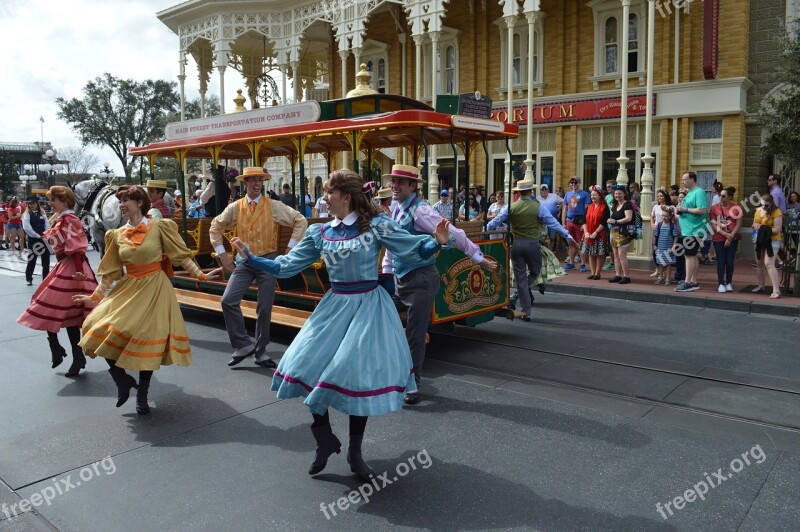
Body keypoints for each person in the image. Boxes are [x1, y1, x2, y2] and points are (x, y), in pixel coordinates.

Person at [230, 170, 449, 480]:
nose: (325, 198)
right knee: (303, 365)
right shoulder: (321, 233)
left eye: (330, 193)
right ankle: (324, 437)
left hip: (367, 309)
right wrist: (251, 258)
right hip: (333, 307)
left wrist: (435, 244)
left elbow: (410, 247)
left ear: (346, 197)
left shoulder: (375, 226)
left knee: (356, 378)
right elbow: (286, 265)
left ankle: (355, 453)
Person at [73, 186, 221, 414]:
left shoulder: (160, 227)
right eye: (120, 201)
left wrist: (201, 275)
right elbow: (111, 272)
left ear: (140, 203)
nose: (121, 204)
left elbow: (180, 255)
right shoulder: (116, 235)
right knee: (94, 327)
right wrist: (93, 296)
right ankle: (122, 379)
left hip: (155, 288)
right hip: (129, 287)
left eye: (125, 200)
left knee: (145, 337)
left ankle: (142, 393)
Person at [382, 164, 497, 405]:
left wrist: (476, 256)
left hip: (421, 279)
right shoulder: (396, 208)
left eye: (400, 182)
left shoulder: (420, 211)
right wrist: (387, 271)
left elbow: (452, 233)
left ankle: (413, 383)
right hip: (402, 279)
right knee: (382, 320)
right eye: (393, 181)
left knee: (415, 333)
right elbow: (394, 244)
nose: (394, 185)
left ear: (413, 186)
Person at [210, 167, 308, 368]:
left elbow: (300, 220)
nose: (256, 184)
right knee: (228, 300)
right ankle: (243, 345)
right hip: (245, 261)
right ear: (245, 183)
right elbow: (215, 227)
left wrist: (289, 250)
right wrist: (223, 256)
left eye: (260, 180)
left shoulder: (272, 206)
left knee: (264, 307)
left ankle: (261, 352)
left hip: (267, 261)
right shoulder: (235, 207)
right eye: (252, 180)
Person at [17, 186, 97, 377]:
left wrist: (78, 271)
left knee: (61, 311)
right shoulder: (62, 219)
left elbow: (77, 247)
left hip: (72, 268)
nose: (50, 203)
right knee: (51, 307)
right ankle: (62, 350)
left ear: (65, 201)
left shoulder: (69, 219)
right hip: (65, 266)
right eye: (50, 200)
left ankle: (71, 354)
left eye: (53, 200)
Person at [487, 179, 577, 321]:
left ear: (518, 192)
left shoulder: (511, 207)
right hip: (532, 245)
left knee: (521, 278)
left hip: (516, 245)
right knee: (535, 272)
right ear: (530, 191)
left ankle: (526, 310)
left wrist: (483, 233)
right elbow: (552, 222)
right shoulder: (538, 206)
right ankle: (523, 299)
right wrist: (567, 235)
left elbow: (493, 223)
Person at [674, 171, 709, 292]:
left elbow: (702, 210)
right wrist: (680, 209)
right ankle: (694, 281)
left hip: (694, 229)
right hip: (688, 229)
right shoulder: (689, 193)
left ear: (692, 179)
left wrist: (685, 209)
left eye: (685, 179)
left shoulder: (699, 192)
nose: (683, 181)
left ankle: (688, 282)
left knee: (688, 255)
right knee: (692, 255)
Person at [709, 186, 743, 293]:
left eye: (723, 196)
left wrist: (730, 236)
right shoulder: (714, 208)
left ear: (730, 197)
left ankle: (729, 283)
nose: (721, 197)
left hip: (732, 237)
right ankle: (721, 283)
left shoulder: (737, 208)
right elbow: (713, 223)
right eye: (720, 196)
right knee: (721, 260)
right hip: (718, 237)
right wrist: (724, 234)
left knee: (729, 261)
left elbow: (738, 224)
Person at [752, 193, 783, 299]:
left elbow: (777, 229)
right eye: (762, 205)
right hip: (759, 239)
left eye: (766, 205)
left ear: (771, 203)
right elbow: (754, 223)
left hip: (772, 240)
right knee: (759, 262)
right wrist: (755, 226)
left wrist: (763, 228)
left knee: (769, 263)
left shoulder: (776, 211)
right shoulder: (757, 210)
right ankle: (761, 285)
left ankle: (776, 290)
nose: (764, 207)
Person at [607, 185, 635, 284]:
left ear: (624, 194)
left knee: (621, 255)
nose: (617, 195)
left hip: (624, 232)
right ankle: (618, 275)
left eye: (619, 193)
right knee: (616, 256)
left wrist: (616, 221)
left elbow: (628, 218)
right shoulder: (615, 205)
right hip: (614, 232)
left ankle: (626, 276)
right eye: (616, 193)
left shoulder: (627, 204)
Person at [581, 187, 610, 280]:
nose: (592, 196)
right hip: (588, 233)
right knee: (591, 253)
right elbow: (584, 220)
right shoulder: (589, 206)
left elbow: (604, 222)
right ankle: (592, 272)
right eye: (592, 195)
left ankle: (598, 273)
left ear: (600, 196)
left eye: (595, 195)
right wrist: (586, 232)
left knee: (599, 254)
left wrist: (596, 232)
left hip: (600, 233)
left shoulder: (605, 207)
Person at [21, 196, 51, 286]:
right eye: (30, 203)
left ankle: (45, 278)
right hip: (34, 239)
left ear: (36, 203)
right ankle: (29, 278)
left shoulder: (42, 212)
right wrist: (38, 236)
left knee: (46, 260)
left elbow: (47, 225)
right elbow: (27, 228)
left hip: (44, 238)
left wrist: (46, 234)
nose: (31, 205)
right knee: (32, 260)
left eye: (33, 203)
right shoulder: (26, 214)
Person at [562, 177, 591, 272]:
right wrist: (563, 223)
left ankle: (582, 263)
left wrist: (584, 224)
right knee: (571, 243)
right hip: (569, 221)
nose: (573, 184)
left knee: (580, 243)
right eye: (572, 182)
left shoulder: (585, 194)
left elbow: (587, 210)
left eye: (575, 182)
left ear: (579, 183)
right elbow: (564, 209)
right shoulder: (567, 194)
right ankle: (571, 262)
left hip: (580, 221)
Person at [653, 206, 680, 285]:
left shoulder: (672, 226)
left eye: (666, 216)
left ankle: (667, 278)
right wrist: (654, 245)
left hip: (669, 247)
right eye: (663, 215)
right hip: (660, 247)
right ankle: (661, 277)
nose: (664, 217)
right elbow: (655, 235)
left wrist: (674, 245)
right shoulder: (659, 225)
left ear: (670, 217)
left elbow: (676, 236)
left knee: (668, 263)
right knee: (660, 263)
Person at [537, 184, 564, 249]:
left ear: (548, 190)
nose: (544, 191)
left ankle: (550, 252)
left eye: (545, 189)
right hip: (542, 222)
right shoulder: (537, 199)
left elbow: (563, 201)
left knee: (552, 237)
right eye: (542, 189)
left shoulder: (554, 196)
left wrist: (558, 210)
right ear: (540, 191)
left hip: (552, 221)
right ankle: (543, 252)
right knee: (542, 238)